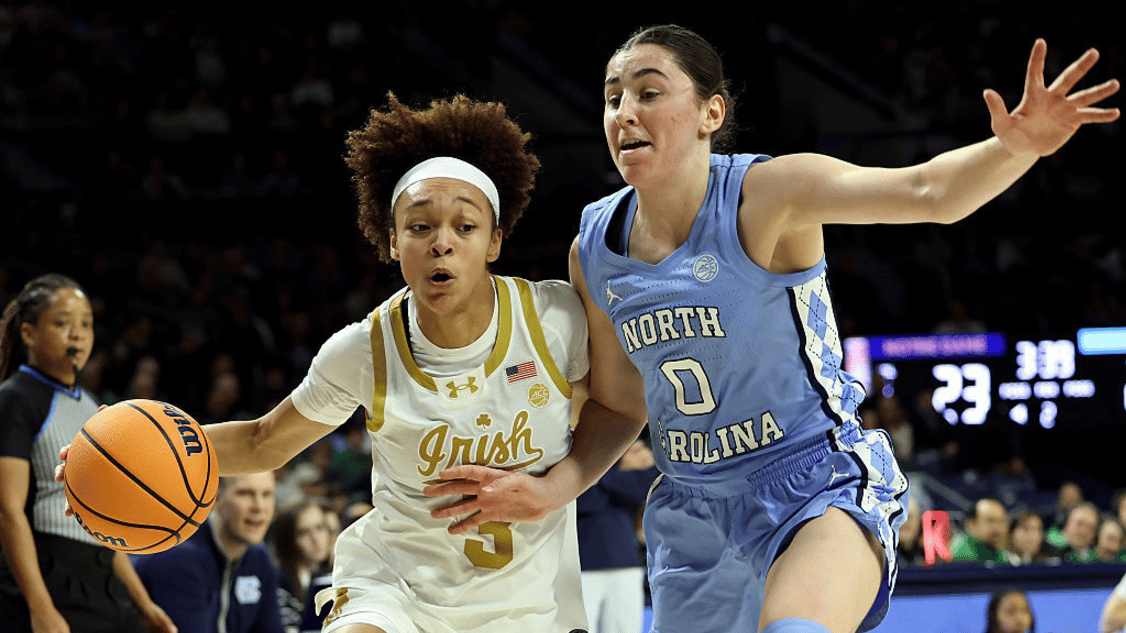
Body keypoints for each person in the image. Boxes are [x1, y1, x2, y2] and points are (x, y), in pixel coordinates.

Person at [427, 23, 1120, 633]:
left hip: (812, 480)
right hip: (691, 507)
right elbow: (619, 404)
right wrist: (553, 487)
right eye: (612, 97)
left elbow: (928, 192)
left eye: (647, 91)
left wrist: (1018, 148)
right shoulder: (595, 247)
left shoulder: (768, 195)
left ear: (710, 112)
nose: (624, 112)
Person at [65, 93, 590, 633]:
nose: (442, 244)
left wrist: (560, 484)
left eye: (465, 227)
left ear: (495, 240)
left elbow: (619, 409)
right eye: (419, 227)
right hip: (395, 587)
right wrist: (114, 459)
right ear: (391, 241)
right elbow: (264, 440)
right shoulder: (362, 349)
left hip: (524, 601)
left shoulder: (552, 320)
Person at [0, 274, 175, 633]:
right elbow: (7, 509)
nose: (77, 333)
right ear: (29, 334)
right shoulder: (15, 398)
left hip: (103, 577)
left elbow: (106, 523)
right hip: (44, 575)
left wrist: (143, 603)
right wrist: (41, 607)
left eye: (86, 324)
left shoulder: (96, 407)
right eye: (62, 323)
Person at [132, 472, 283, 633]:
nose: (259, 507)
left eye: (267, 494)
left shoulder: (258, 556)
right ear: (215, 498)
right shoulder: (179, 557)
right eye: (245, 493)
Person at [577, 439, 659, 633]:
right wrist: (619, 474)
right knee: (579, 626)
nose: (640, 453)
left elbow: (645, 487)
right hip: (583, 567)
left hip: (626, 565)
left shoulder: (592, 475)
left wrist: (595, 477)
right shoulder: (584, 459)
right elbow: (582, 501)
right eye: (633, 450)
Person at [269, 499, 333, 633]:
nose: (316, 538)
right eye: (303, 532)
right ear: (289, 540)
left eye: (320, 528)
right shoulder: (279, 586)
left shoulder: (335, 574)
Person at [951, 498, 1011, 565]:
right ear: (970, 524)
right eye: (990, 521)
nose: (997, 528)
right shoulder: (959, 552)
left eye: (1001, 521)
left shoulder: (1001, 555)